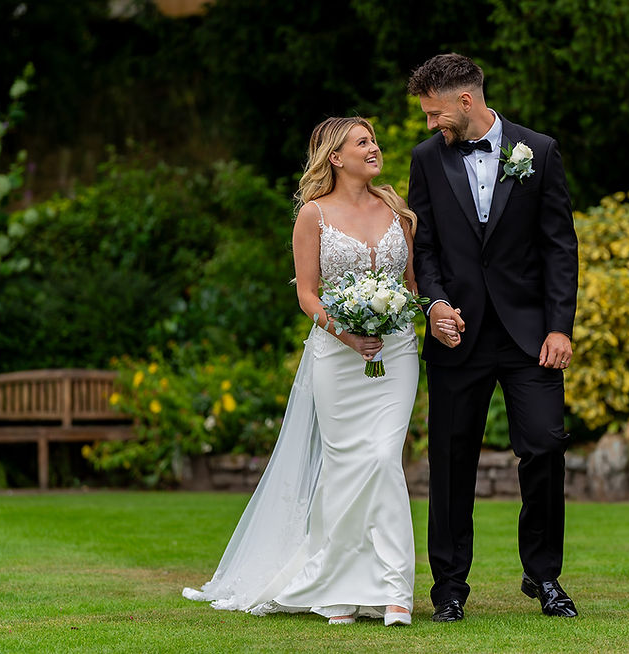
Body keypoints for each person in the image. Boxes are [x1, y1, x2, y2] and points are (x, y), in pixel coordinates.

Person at [183, 117, 418, 627]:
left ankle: (396, 589)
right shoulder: (313, 216)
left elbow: (412, 285)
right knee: (343, 467)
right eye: (363, 142)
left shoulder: (396, 209)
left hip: (396, 352)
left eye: (374, 141)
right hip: (336, 356)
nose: (374, 148)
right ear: (336, 157)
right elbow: (306, 294)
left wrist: (411, 315)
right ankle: (340, 584)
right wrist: (348, 333)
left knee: (381, 458)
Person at [407, 53, 579, 622]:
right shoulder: (426, 160)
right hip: (459, 335)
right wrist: (433, 305)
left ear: (466, 101)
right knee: (452, 462)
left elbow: (560, 246)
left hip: (530, 336)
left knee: (545, 446)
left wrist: (559, 326)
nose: (431, 125)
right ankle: (449, 589)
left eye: (435, 114)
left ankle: (544, 576)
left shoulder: (541, 151)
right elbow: (424, 247)